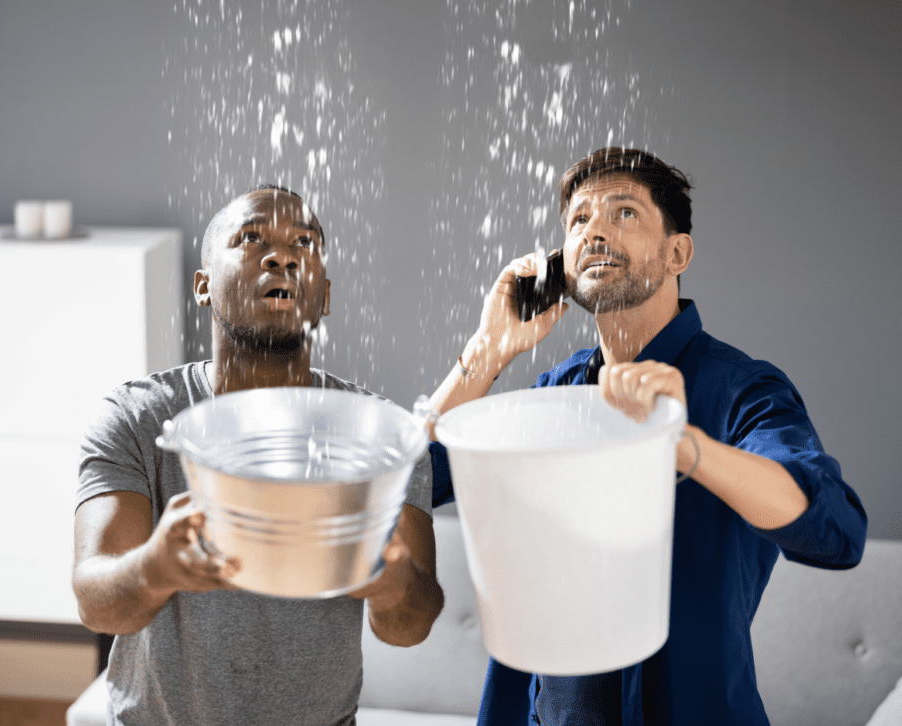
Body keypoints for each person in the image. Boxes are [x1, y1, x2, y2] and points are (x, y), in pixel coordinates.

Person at [427, 148, 866, 725]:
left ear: (677, 251)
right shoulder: (556, 390)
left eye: (624, 212)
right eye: (579, 219)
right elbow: (419, 480)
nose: (595, 231)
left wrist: (683, 446)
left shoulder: (741, 389)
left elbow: (838, 532)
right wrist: (488, 349)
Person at [73, 185, 444, 726]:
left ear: (324, 295)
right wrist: (155, 568)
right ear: (202, 286)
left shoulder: (380, 434)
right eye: (250, 238)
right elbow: (95, 603)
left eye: (305, 244)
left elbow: (408, 626)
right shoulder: (139, 417)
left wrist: (390, 581)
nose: (284, 255)